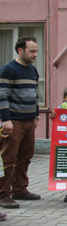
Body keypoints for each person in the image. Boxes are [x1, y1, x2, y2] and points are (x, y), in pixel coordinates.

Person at [0, 36, 41, 209]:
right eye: (32, 51)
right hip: (14, 122)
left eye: (36, 51)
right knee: (8, 159)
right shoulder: (8, 70)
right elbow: (2, 95)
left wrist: (37, 116)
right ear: (20, 50)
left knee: (25, 157)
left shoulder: (33, 71)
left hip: (29, 121)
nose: (35, 54)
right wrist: (6, 120)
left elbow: (35, 95)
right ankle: (3, 194)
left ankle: (19, 189)